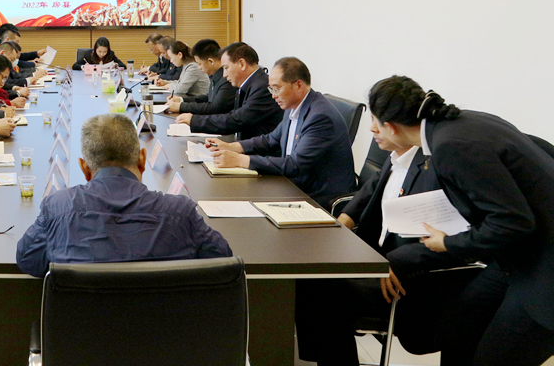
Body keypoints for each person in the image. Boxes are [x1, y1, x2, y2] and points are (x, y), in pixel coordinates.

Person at [363, 77, 554, 366]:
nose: (371, 129)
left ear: (391, 126)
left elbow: (514, 222)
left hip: (543, 269)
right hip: (515, 257)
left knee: (493, 358)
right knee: (459, 326)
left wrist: (447, 242)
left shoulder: (450, 146)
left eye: (375, 121)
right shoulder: (464, 121)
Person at [295, 132, 470, 364]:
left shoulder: (433, 169)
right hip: (375, 258)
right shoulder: (396, 157)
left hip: (403, 279)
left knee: (320, 288)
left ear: (398, 125)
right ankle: (318, 356)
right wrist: (345, 218)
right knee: (308, 273)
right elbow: (374, 185)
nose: (373, 129)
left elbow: (447, 238)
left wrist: (398, 261)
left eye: (380, 122)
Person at [16, 113, 232, 277]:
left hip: (81, 324)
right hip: (162, 324)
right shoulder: (180, 213)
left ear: (84, 168)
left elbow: (28, 260)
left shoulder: (57, 207)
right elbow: (223, 259)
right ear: (142, 159)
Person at [207, 57, 355, 208]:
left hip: (317, 199)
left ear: (298, 85)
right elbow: (270, 140)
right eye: (271, 89)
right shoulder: (293, 106)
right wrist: (232, 147)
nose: (273, 95)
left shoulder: (320, 117)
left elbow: (295, 165)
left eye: (277, 89)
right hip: (294, 186)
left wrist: (240, 160)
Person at [176, 42, 282, 140]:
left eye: (226, 68)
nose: (224, 74)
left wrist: (195, 120)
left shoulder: (262, 87)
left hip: (257, 150)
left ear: (242, 64)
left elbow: (238, 120)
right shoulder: (250, 83)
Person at [167, 39, 237, 114]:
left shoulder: (227, 78)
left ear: (211, 61)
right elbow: (208, 98)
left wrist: (181, 107)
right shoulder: (215, 75)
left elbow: (215, 108)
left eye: (200, 64)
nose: (199, 68)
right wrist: (182, 100)